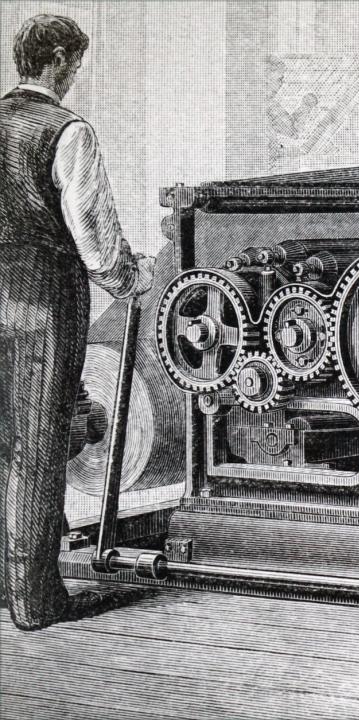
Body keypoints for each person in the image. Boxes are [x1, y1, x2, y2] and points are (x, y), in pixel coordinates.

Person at [0, 14, 155, 630]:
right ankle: (36, 601)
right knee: (37, 448)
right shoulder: (68, 131)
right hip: (42, 301)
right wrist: (130, 280)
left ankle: (4, 586)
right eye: (75, 65)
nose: (75, 78)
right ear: (58, 59)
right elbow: (93, 237)